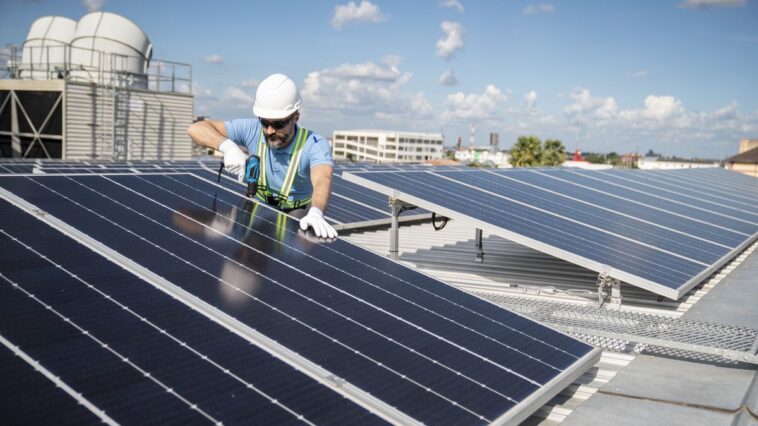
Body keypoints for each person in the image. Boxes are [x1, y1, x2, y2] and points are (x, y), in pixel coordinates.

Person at [187, 73, 337, 239]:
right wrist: (227, 146)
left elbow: (323, 180)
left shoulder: (314, 144)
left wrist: (316, 212)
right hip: (256, 212)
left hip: (297, 217)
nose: (270, 130)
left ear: (296, 117)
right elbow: (196, 129)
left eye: (279, 124)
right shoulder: (252, 129)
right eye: (265, 122)